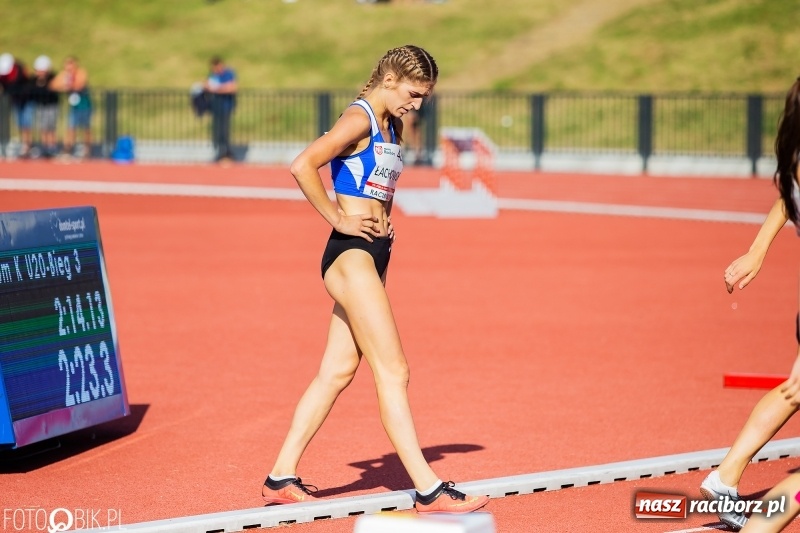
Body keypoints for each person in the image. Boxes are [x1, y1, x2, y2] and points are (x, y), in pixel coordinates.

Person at [261, 45, 490, 515]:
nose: (418, 104)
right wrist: (338, 219)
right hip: (350, 256)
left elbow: (372, 183)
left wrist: (383, 219)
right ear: (389, 80)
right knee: (394, 370)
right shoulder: (360, 118)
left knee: (337, 372)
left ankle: (280, 476)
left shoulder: (394, 125)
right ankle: (427, 488)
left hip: (373, 255)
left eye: (425, 96)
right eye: (413, 93)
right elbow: (302, 164)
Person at [700, 76, 800, 531]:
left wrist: (757, 251)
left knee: (792, 392)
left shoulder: (794, 166)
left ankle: (725, 478)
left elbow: (785, 204)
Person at [50, 56, 92, 159]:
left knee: (86, 128)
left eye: (70, 65)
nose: (68, 68)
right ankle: (68, 148)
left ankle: (87, 150)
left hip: (84, 105)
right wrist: (65, 84)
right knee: (71, 127)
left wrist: (67, 85)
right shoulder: (65, 75)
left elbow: (79, 85)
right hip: (74, 107)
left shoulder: (81, 72)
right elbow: (53, 85)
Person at [203, 56, 237, 163]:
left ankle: (227, 153)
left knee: (224, 130)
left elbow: (232, 87)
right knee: (217, 131)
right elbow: (206, 85)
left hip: (226, 107)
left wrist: (216, 88)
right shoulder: (213, 75)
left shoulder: (228, 74)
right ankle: (220, 152)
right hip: (215, 107)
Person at [0, 53, 33, 158]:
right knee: (19, 122)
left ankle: (27, 145)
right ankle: (21, 143)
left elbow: (27, 81)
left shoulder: (20, 69)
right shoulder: (3, 75)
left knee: (26, 122)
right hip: (15, 100)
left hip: (25, 99)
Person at [28, 55, 59, 158]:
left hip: (51, 106)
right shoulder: (34, 80)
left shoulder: (52, 78)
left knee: (51, 127)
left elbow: (53, 89)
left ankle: (52, 147)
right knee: (43, 127)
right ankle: (44, 147)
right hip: (41, 106)